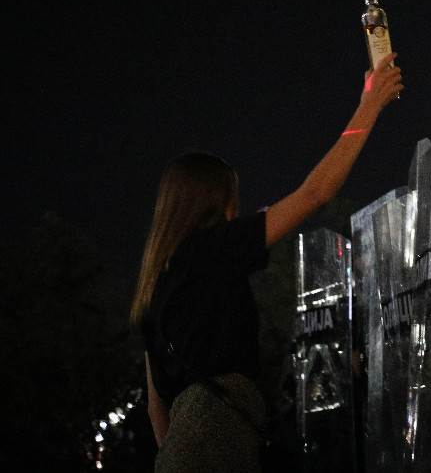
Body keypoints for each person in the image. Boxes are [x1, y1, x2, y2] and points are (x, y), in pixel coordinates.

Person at [129, 52, 403, 472]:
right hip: (220, 444)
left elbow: (155, 411)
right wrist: (370, 106)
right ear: (217, 204)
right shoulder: (213, 250)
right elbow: (316, 192)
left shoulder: (152, 290)